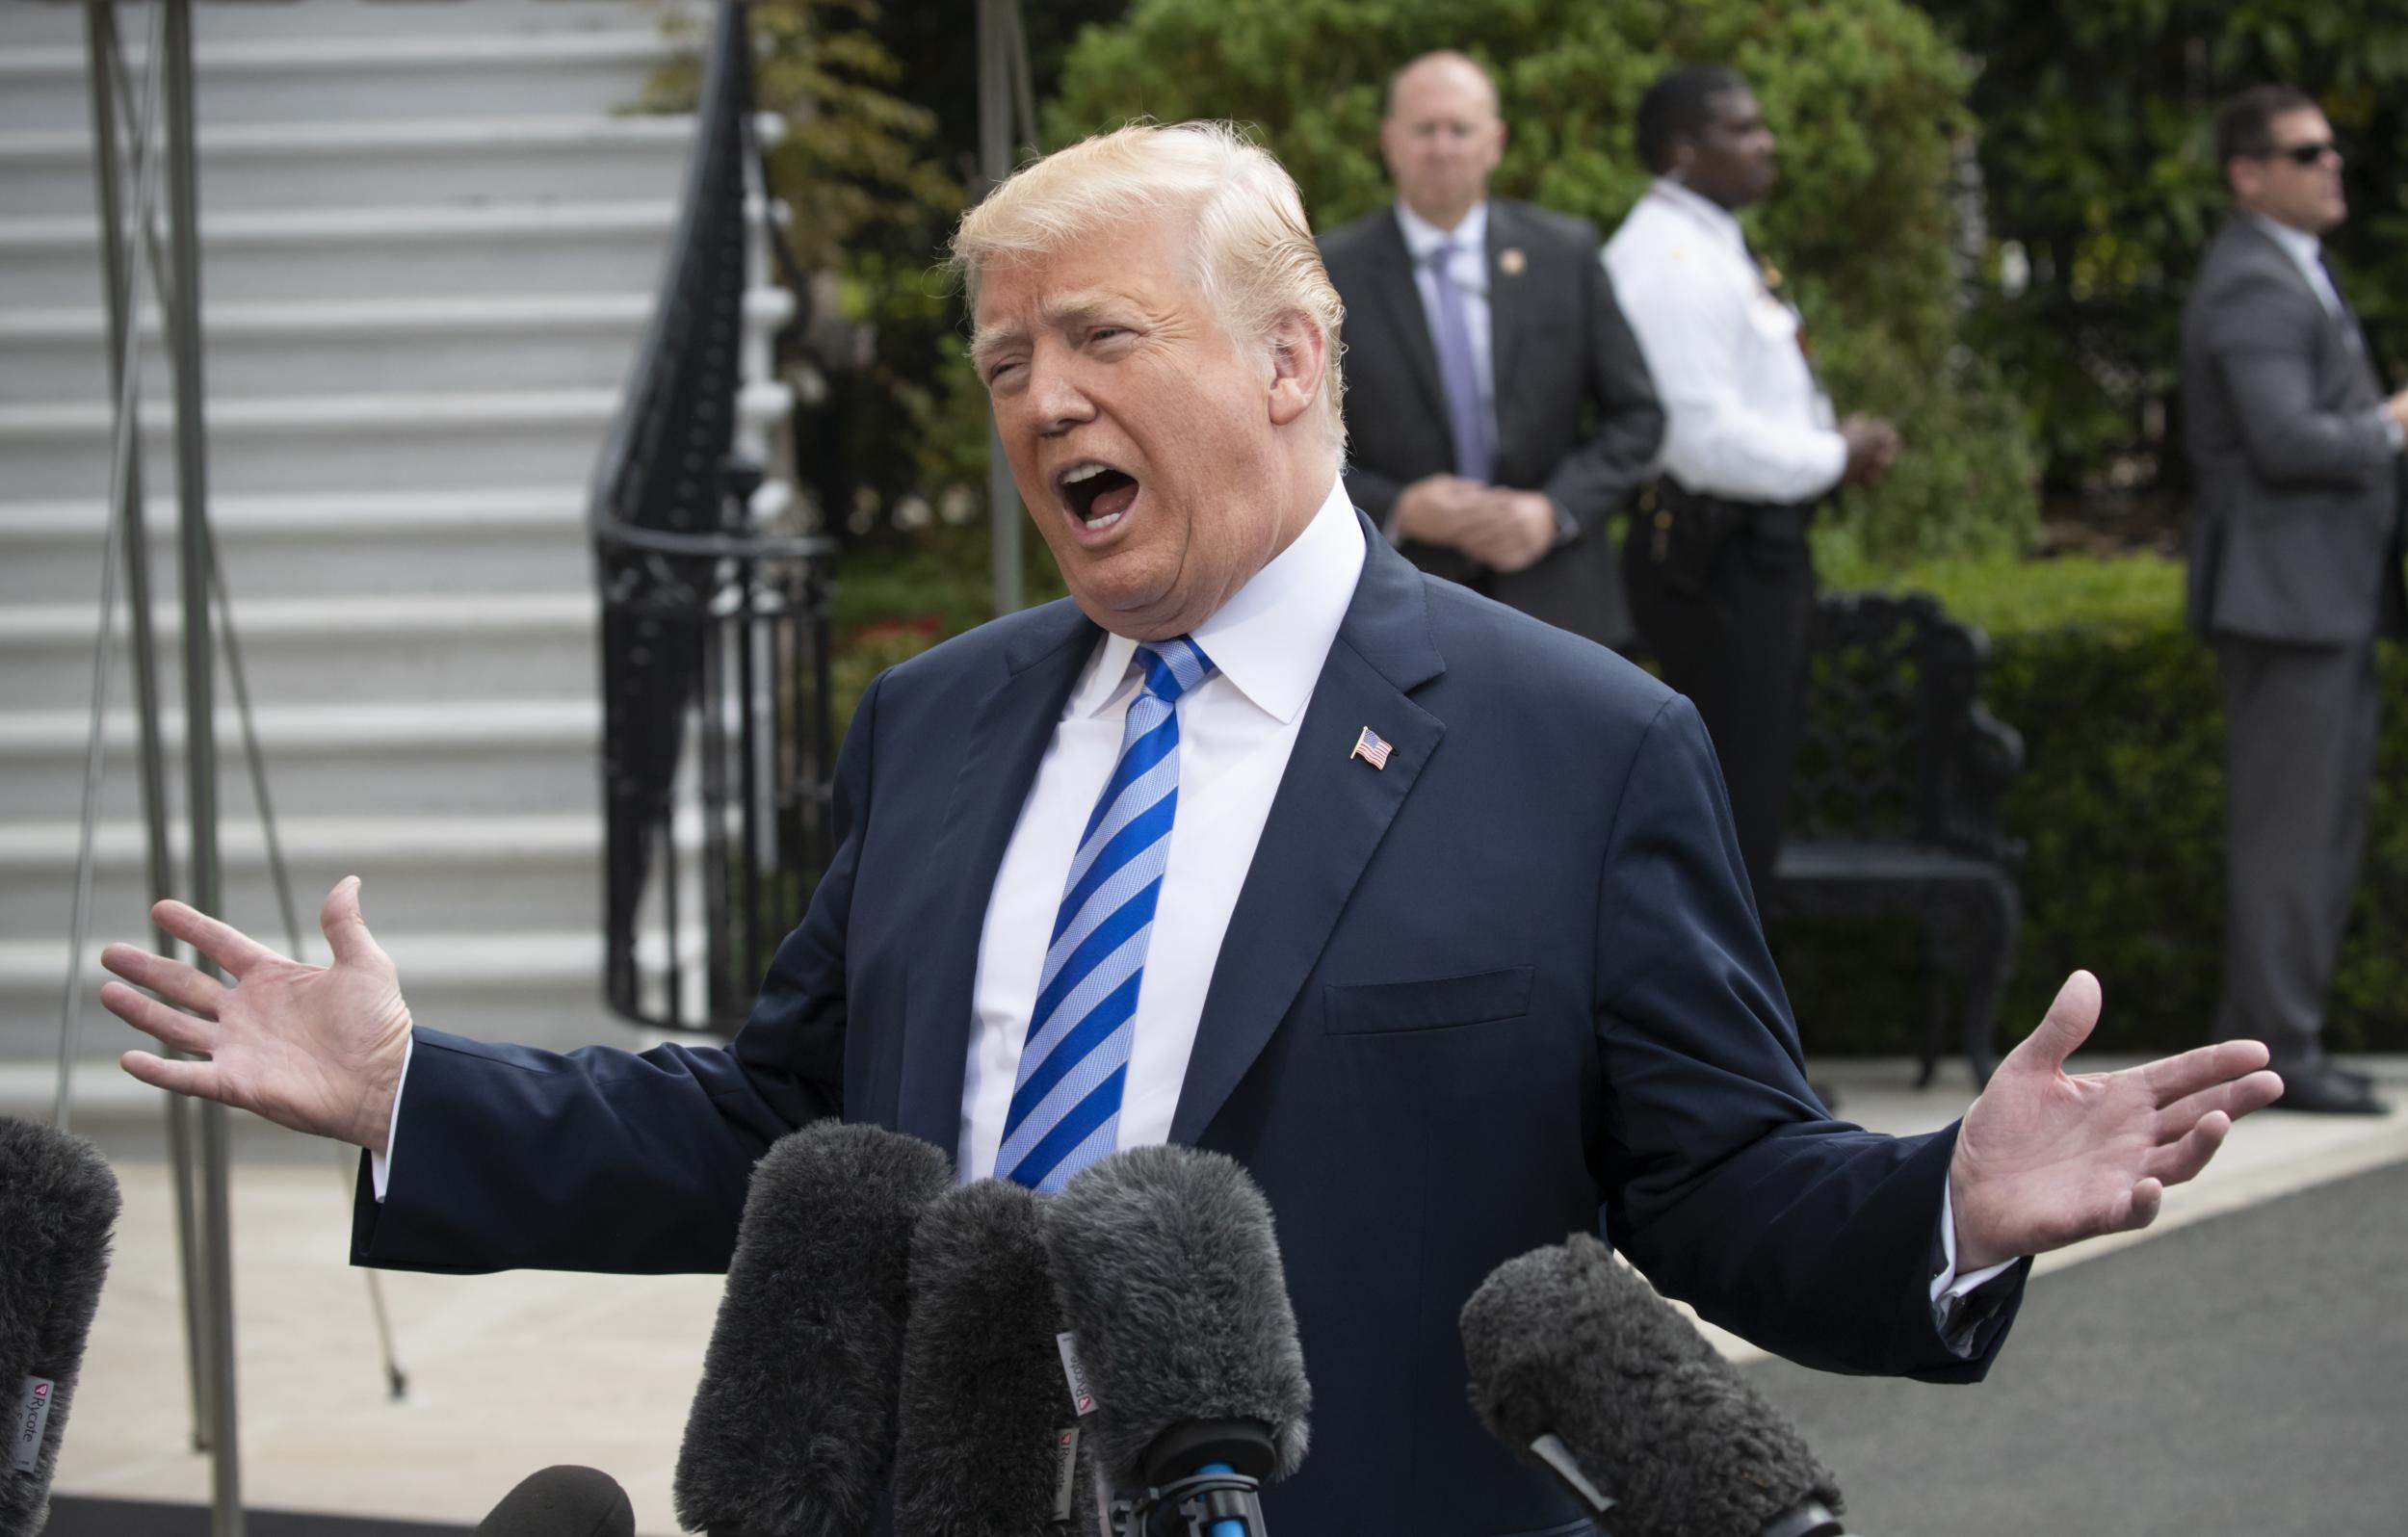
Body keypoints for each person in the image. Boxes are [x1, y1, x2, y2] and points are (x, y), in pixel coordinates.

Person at [104, 123, 2282, 1532]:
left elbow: (1712, 1186)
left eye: (1098, 339)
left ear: (1290, 364)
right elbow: (781, 1126)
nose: (1040, 399)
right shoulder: (936, 723)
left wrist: (1953, 1207)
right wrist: (418, 1096)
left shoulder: (1579, 743)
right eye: (1001, 364)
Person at [1606, 65, 1899, 893]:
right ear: (1682, 150)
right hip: (1715, 561)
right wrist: (1835, 455)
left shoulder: (1712, 243)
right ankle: (1713, 1020)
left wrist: (1830, 449)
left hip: (1754, 552)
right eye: (1741, 129)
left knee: (1752, 805)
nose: (1766, 143)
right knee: (1726, 818)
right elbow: (1699, 441)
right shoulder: (1669, 260)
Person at [2182, 85, 2408, 1116]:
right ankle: (2278, 1046)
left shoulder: (2289, 272)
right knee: (2288, 838)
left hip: (2319, 597)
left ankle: (2272, 1041)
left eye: (2332, 149)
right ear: (2247, 174)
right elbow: (2283, 439)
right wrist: (2393, 424)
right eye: (2305, 150)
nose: (2332, 165)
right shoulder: (2250, 285)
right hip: (2285, 600)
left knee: (2313, 834)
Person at [1320, 50, 1662, 649]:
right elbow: (1291, 440)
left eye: (1461, 129)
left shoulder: (1565, 254)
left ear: (1495, 142)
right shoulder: (1326, 271)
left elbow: (1637, 418)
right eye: (1424, 129)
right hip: (1397, 597)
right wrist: (1397, 506)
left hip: (1559, 603)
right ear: (1389, 142)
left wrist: (1554, 511)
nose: (1443, 147)